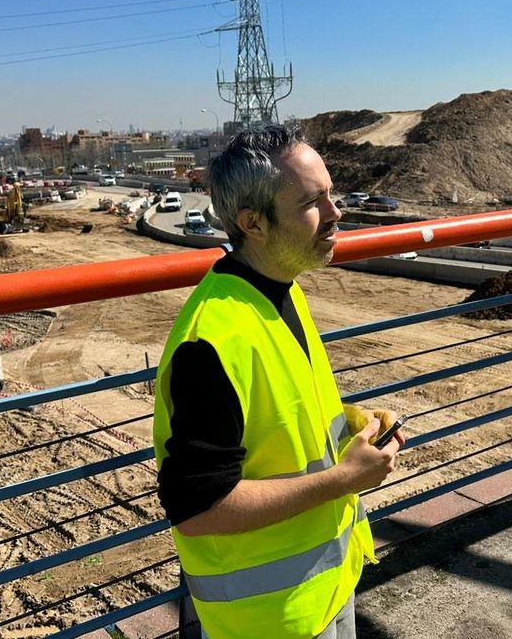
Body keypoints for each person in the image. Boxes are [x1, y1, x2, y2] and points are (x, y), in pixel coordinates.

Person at [152, 126, 402, 639]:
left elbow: (279, 415)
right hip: (266, 621)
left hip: (324, 590)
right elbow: (198, 509)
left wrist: (353, 423)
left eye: (331, 194)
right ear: (253, 223)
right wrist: (344, 479)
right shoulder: (213, 342)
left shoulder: (281, 289)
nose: (336, 214)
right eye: (313, 202)